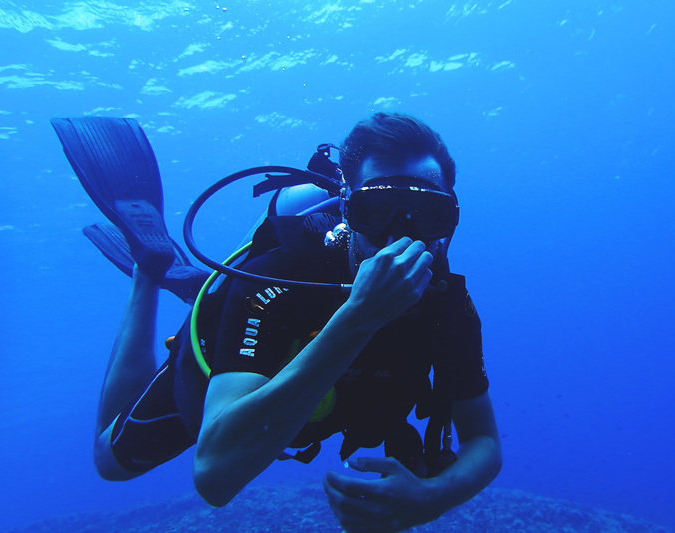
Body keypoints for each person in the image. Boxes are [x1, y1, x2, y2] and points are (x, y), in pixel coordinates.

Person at [52, 112, 502, 532]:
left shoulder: (447, 308)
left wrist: (432, 497)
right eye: (375, 211)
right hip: (242, 344)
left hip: (309, 397)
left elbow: (483, 440)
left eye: (427, 215)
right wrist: (359, 318)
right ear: (347, 209)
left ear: (450, 219)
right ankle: (148, 272)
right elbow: (214, 477)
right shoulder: (276, 277)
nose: (399, 236)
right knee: (108, 463)